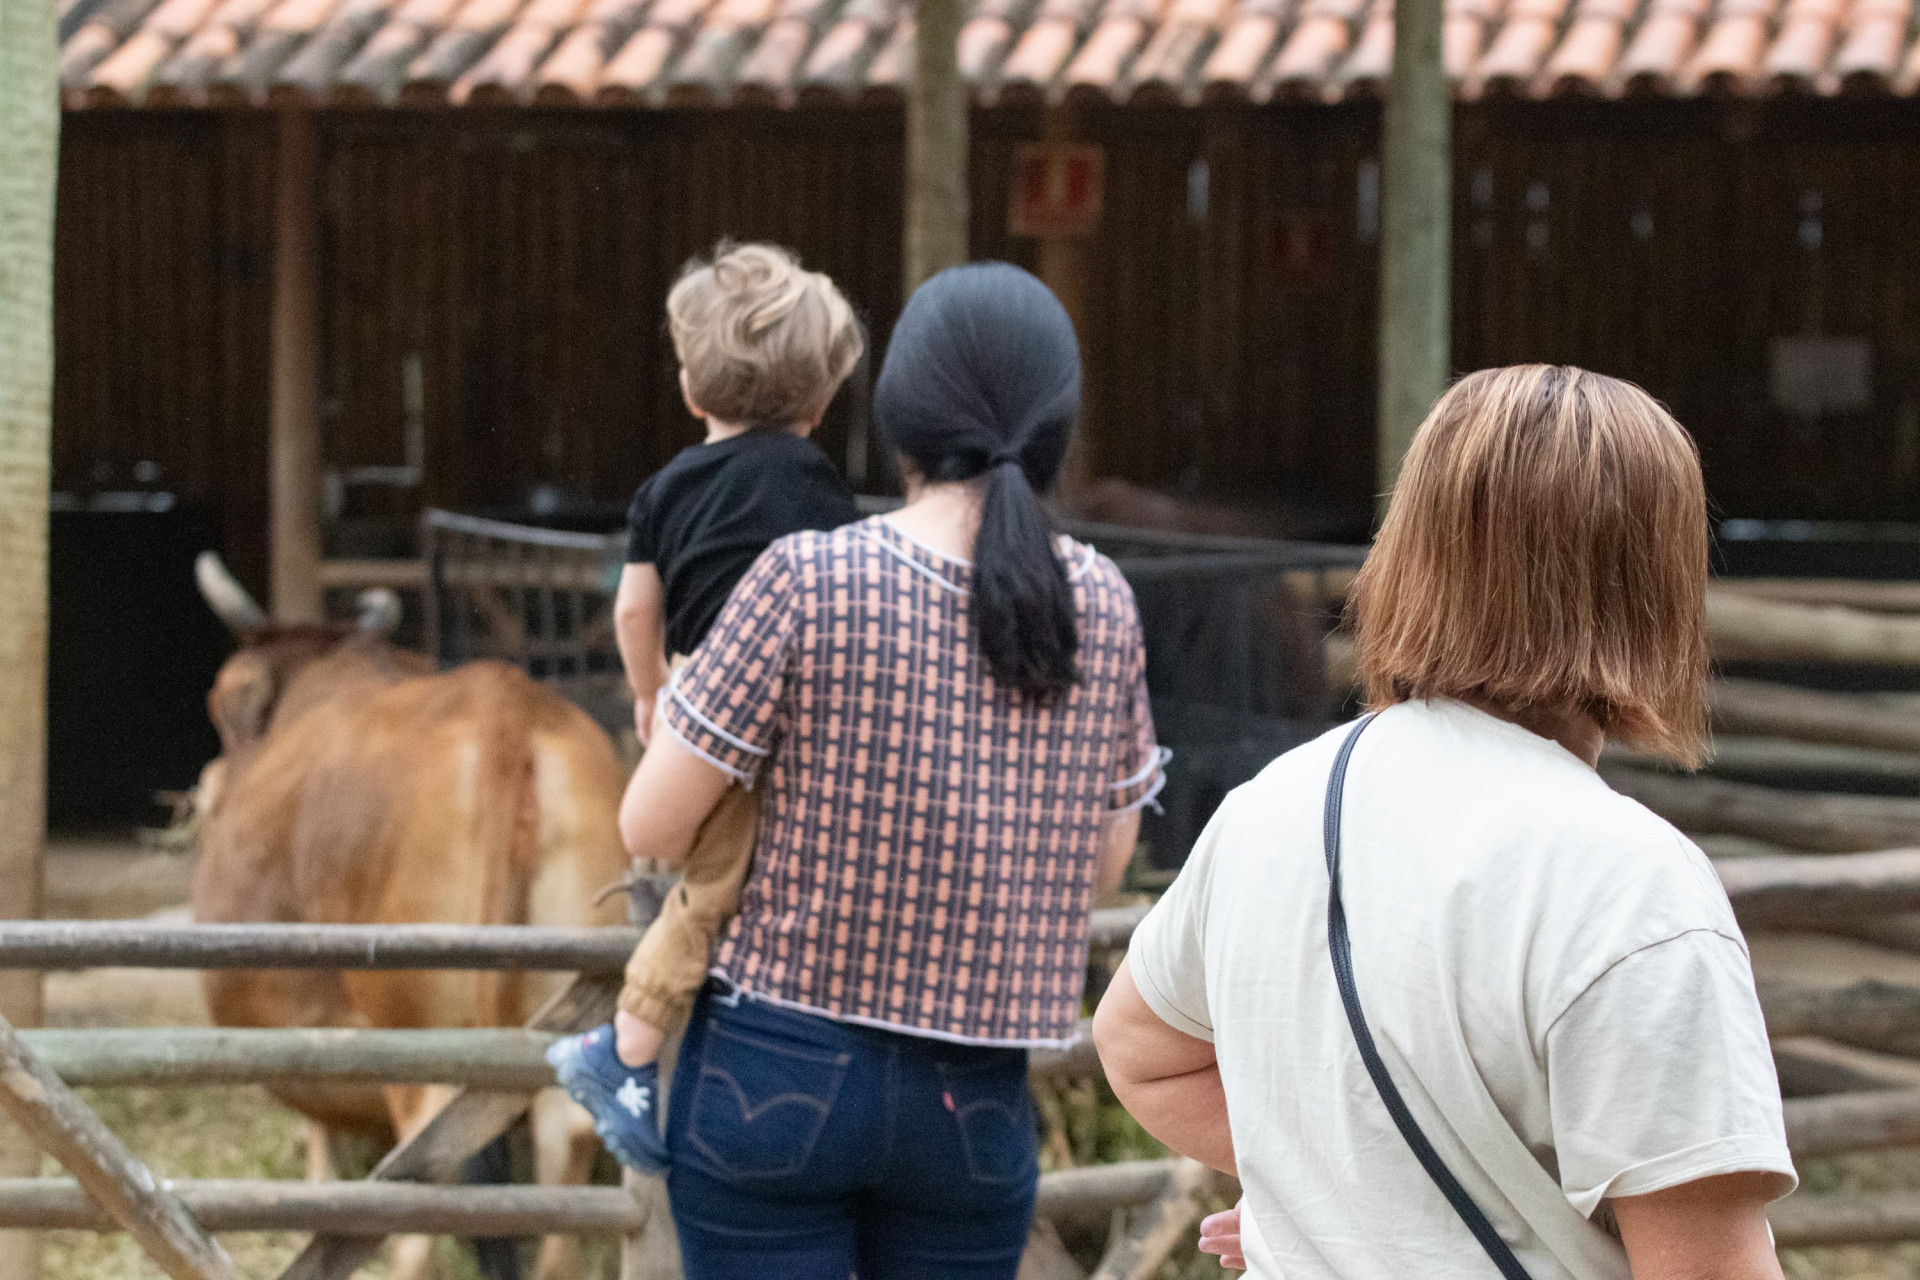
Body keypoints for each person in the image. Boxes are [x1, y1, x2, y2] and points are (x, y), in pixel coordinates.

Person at [1094, 365, 1797, 1280]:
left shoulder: (1273, 806)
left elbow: (1139, 1047)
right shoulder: (1634, 886)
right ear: (1654, 584)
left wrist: (1333, 1206)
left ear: (1412, 551)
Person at [575, 261, 1167, 1279]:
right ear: (1057, 426)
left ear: (898, 417)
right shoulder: (1103, 604)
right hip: (974, 1098)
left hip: (773, 1070)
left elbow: (653, 825)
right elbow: (1103, 866)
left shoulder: (808, 577)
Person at [548, 240, 862, 1173]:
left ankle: (636, 1050)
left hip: (698, 710)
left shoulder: (666, 489)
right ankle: (625, 1054)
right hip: (790, 722)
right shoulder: (820, 488)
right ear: (821, 398)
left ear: (692, 390)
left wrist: (651, 696)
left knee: (707, 879)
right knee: (717, 889)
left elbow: (634, 606)